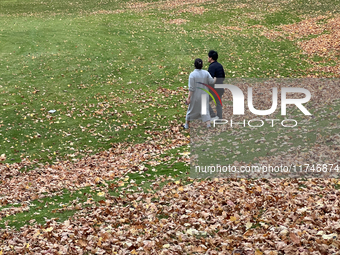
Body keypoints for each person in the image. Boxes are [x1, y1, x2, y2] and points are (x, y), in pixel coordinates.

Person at [185, 58, 215, 129]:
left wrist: (189, 98)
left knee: (191, 109)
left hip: (195, 96)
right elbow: (211, 81)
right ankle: (208, 124)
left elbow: (191, 88)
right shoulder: (206, 73)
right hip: (204, 95)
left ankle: (186, 124)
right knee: (205, 110)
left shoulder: (192, 75)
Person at [207, 50, 225, 120]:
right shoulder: (220, 65)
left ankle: (213, 115)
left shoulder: (211, 67)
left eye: (208, 57)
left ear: (211, 58)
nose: (208, 58)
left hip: (214, 89)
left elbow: (210, 80)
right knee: (218, 103)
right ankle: (219, 118)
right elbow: (223, 76)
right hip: (220, 88)